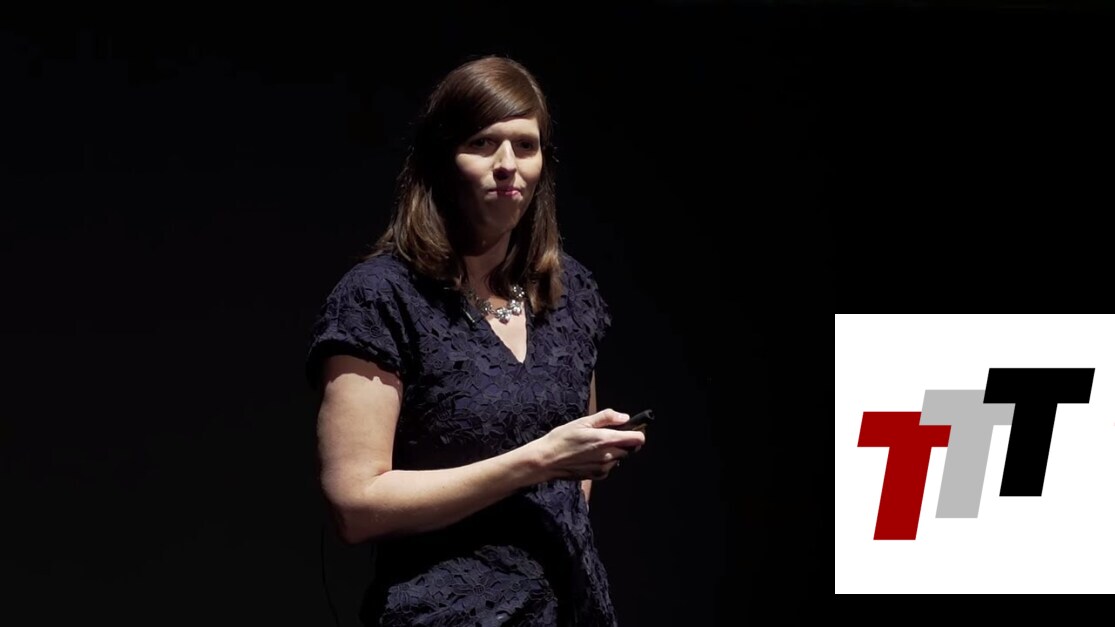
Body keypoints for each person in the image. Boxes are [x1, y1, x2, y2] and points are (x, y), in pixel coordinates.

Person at [304, 54, 647, 626]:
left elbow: (574, 474)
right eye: (483, 144)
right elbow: (355, 505)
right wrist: (537, 461)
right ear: (441, 159)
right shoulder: (381, 297)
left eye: (525, 146)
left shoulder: (570, 292)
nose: (508, 165)